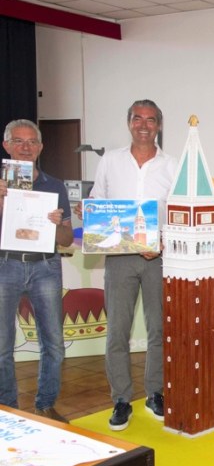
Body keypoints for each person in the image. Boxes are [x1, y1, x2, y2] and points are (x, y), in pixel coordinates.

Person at [86, 100, 177, 431]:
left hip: (158, 258)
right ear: (129, 123)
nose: (144, 125)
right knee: (117, 331)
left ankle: (155, 393)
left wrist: (163, 242)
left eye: (151, 120)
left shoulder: (173, 165)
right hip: (120, 259)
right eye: (138, 118)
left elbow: (180, 211)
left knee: (159, 330)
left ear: (159, 126)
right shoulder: (110, 161)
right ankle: (121, 399)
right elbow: (97, 200)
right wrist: (90, 214)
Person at [0, 120, 73, 422]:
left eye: (32, 142)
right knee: (2, 346)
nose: (26, 147)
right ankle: (8, 410)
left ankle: (45, 403)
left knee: (54, 343)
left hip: (45, 265)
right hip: (5, 264)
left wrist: (57, 225)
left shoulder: (55, 186)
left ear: (41, 148)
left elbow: (67, 240)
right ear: (6, 145)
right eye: (19, 141)